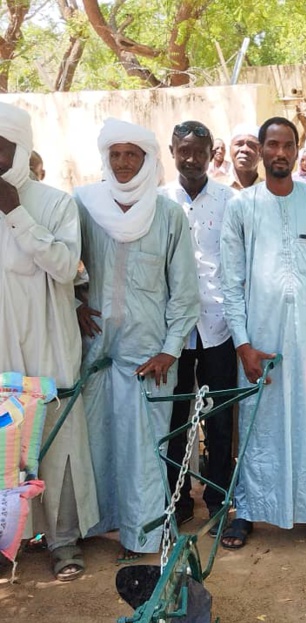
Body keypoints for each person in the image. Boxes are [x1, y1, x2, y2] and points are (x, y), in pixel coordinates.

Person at [220, 117, 306, 551]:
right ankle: (252, 510)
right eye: (271, 145)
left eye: (287, 145)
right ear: (260, 150)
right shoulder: (241, 208)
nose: (279, 153)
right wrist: (242, 342)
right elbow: (231, 281)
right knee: (260, 423)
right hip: (261, 338)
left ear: (297, 152)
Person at [75, 118, 199, 563]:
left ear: (147, 160)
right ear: (106, 158)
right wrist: (75, 304)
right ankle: (98, 523)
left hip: (150, 354)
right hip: (95, 352)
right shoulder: (84, 204)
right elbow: (65, 266)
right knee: (96, 439)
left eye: (133, 155)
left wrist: (170, 349)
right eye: (116, 154)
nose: (124, 163)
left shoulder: (166, 213)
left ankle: (142, 535)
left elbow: (185, 292)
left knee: (145, 448)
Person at [0, 103, 99, 581]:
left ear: (19, 149)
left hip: (50, 347)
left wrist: (14, 212)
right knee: (5, 448)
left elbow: (64, 267)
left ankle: (63, 543)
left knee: (58, 447)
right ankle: (8, 544)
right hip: (3, 349)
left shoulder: (56, 203)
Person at [159, 121, 238, 532]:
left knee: (220, 419)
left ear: (212, 154)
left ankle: (218, 499)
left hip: (218, 326)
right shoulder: (156, 201)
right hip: (172, 332)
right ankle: (178, 500)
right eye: (183, 150)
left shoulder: (230, 200)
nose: (190, 159)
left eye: (199, 152)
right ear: (172, 150)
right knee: (174, 418)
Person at [213, 125, 261, 190]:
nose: (244, 149)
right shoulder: (214, 187)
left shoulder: (271, 193)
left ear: (262, 153)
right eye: (239, 144)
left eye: (252, 145)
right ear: (230, 150)